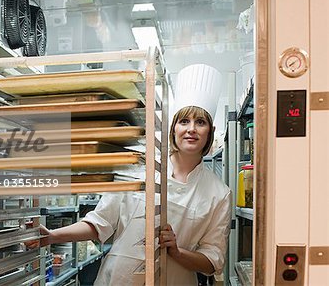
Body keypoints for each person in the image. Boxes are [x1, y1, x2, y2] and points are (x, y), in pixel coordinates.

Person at [31, 64, 232, 285]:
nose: (192, 129)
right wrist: (52, 236)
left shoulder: (218, 193)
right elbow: (100, 222)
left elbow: (213, 260)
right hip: (119, 278)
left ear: (210, 132)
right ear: (173, 128)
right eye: (184, 121)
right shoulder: (138, 168)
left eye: (200, 122)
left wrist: (177, 252)